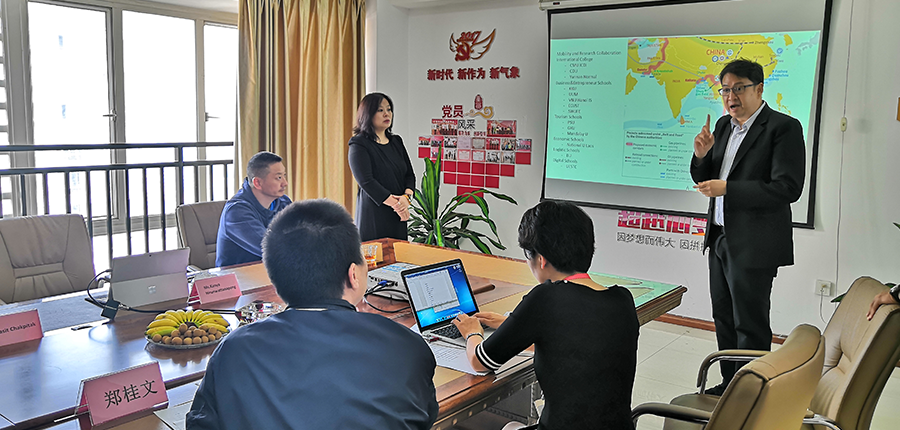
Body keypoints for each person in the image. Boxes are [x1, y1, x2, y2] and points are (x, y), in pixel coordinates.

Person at [187, 199, 439, 429]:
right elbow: (423, 417)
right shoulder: (407, 346)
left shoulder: (234, 350)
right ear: (353, 274)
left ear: (276, 281)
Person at [453, 201, 639, 430]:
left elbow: (480, 361)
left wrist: (472, 332)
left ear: (541, 259)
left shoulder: (545, 297)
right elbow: (572, 343)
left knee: (508, 427)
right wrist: (509, 324)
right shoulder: (623, 299)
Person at [691, 59, 806, 395]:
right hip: (720, 238)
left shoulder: (782, 127)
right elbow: (706, 178)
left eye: (739, 88)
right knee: (724, 317)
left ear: (759, 89)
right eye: (725, 90)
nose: (731, 97)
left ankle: (752, 392)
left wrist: (729, 188)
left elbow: (787, 188)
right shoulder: (724, 127)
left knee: (750, 323)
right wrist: (701, 156)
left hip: (755, 243)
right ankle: (730, 384)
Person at [348, 92, 416, 241]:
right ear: (368, 114)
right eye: (380, 110)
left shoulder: (396, 141)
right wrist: (397, 205)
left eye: (389, 109)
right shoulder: (359, 144)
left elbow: (409, 175)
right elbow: (366, 182)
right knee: (376, 254)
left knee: (399, 254)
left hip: (398, 214)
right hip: (374, 214)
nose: (387, 114)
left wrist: (406, 198)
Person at [215, 151, 291, 267]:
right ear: (257, 183)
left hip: (272, 273)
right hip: (240, 277)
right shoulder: (237, 211)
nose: (285, 183)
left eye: (284, 176)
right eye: (279, 177)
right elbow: (272, 249)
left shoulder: (283, 202)